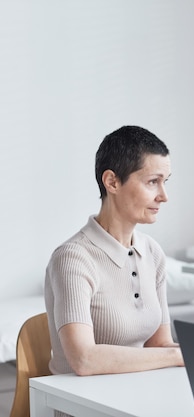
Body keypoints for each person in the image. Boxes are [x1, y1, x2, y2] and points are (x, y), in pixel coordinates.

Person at [45, 126, 183, 379]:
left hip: (135, 394)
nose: (164, 196)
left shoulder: (152, 253)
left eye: (165, 182)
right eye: (153, 182)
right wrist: (177, 356)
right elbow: (83, 359)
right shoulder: (73, 258)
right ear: (112, 182)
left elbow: (159, 346)